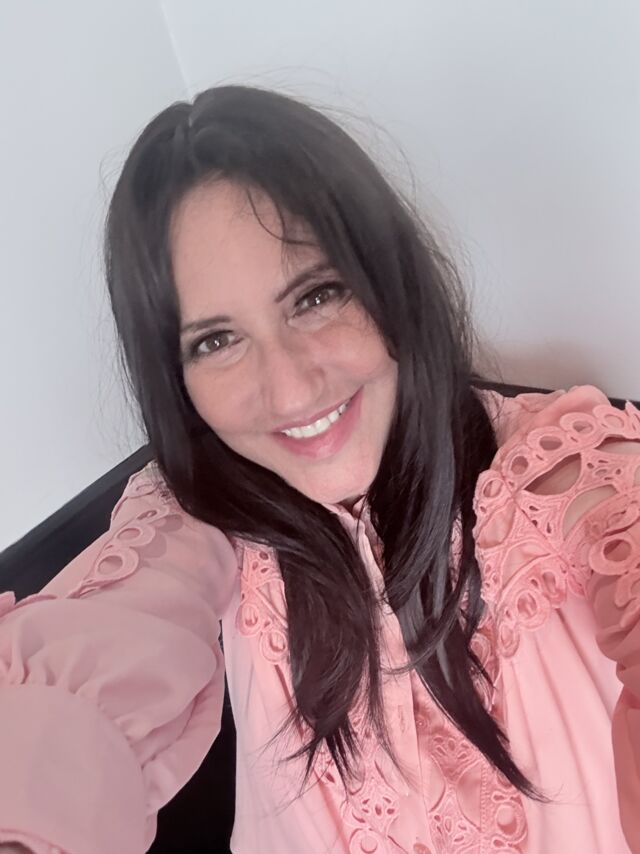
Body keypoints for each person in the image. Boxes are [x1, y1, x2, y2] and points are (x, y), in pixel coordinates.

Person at [0, 85, 638, 854]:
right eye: (215, 341)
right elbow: (104, 645)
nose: (293, 388)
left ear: (387, 280)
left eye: (316, 296)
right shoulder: (198, 516)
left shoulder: (556, 469)